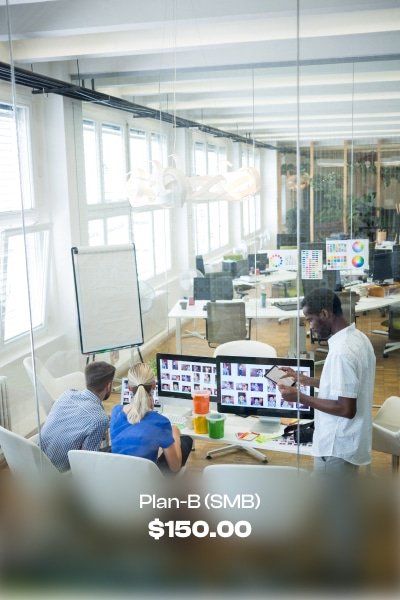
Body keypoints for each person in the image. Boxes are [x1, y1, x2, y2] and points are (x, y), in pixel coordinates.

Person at [278, 288, 376, 475]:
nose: (310, 327)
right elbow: (346, 386)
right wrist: (305, 380)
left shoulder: (342, 352)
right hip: (350, 441)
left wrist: (300, 397)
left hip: (335, 447)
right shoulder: (359, 338)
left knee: (335, 503)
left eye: (310, 320)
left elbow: (346, 409)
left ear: (324, 313)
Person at [110, 363, 193, 473]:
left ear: (129, 388)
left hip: (118, 475)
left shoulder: (115, 411)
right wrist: (175, 433)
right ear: (154, 385)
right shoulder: (160, 422)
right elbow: (175, 467)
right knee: (186, 441)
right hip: (147, 482)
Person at [39, 361, 115, 472]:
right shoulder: (99, 420)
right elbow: (86, 463)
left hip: (38, 461)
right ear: (108, 386)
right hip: (58, 473)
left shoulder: (67, 395)